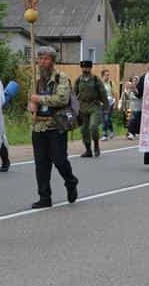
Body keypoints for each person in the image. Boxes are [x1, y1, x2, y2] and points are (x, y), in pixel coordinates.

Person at [28, 46, 79, 208]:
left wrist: (39, 99)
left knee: (59, 160)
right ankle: (44, 197)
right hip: (39, 127)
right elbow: (30, 98)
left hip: (55, 126)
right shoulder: (35, 79)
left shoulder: (60, 78)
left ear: (52, 61)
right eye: (40, 58)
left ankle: (70, 181)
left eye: (46, 59)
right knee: (41, 164)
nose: (42, 62)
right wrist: (31, 105)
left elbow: (62, 99)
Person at [74, 60, 108, 158]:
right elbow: (73, 95)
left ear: (90, 68)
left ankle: (96, 145)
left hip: (94, 106)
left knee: (93, 127)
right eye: (84, 67)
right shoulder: (78, 80)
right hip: (82, 107)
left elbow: (103, 94)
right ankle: (88, 150)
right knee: (84, 130)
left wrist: (106, 107)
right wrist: (73, 109)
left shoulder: (96, 80)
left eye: (87, 67)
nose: (85, 69)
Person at [100, 69, 116, 141]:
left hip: (110, 103)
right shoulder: (99, 84)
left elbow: (115, 93)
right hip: (102, 103)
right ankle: (111, 131)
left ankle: (105, 134)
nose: (108, 76)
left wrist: (116, 103)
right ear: (102, 76)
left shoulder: (111, 83)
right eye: (106, 75)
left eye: (108, 75)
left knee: (107, 118)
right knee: (104, 119)